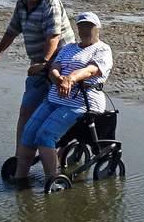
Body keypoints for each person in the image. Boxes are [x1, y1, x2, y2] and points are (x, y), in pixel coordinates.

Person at [11, 12, 113, 188]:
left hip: (82, 102)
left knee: (45, 135)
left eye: (90, 26)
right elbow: (55, 67)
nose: (85, 29)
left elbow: (90, 70)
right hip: (55, 99)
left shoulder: (102, 49)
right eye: (82, 26)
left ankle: (52, 180)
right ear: (78, 29)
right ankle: (20, 177)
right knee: (29, 133)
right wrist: (57, 77)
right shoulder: (68, 48)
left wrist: (71, 78)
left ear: (97, 29)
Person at [0, 0, 72, 139]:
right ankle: (20, 157)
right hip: (38, 64)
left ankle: (60, 155)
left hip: (61, 64)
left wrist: (43, 63)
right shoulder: (22, 2)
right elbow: (12, 30)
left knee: (57, 112)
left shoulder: (50, 1)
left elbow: (54, 36)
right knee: (26, 110)